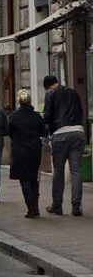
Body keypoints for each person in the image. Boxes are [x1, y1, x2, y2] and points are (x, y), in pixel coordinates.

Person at [43, 75, 86, 216]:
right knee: (76, 170)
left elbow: (48, 116)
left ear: (47, 86)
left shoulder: (50, 94)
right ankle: (76, 205)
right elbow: (81, 111)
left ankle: (57, 205)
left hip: (60, 133)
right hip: (78, 132)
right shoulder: (73, 92)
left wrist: (45, 132)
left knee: (59, 170)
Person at [8, 90, 46, 218]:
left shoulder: (13, 116)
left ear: (19, 101)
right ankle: (35, 206)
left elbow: (9, 133)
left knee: (24, 179)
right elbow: (43, 132)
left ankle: (30, 207)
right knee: (33, 179)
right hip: (35, 150)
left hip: (19, 151)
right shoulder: (37, 116)